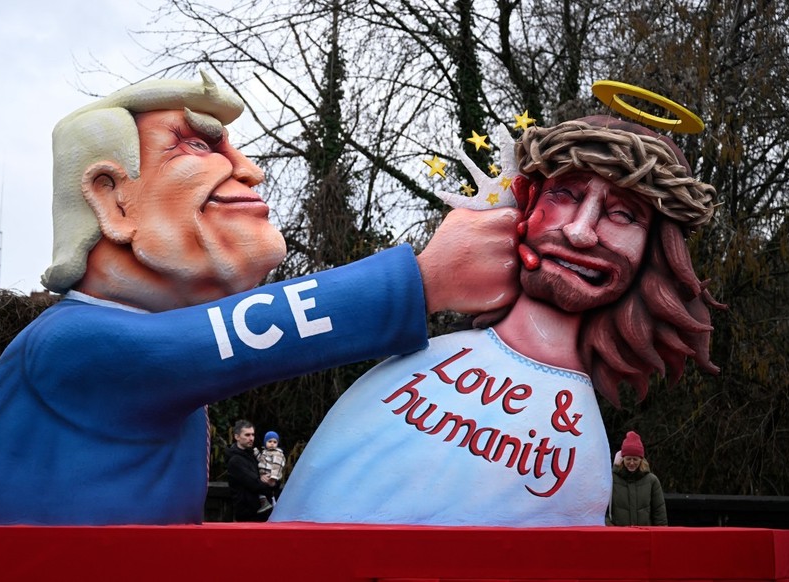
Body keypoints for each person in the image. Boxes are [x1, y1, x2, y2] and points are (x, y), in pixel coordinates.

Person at [0, 71, 520, 525]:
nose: (251, 171)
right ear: (111, 198)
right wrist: (423, 280)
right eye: (197, 147)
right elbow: (242, 333)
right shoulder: (70, 345)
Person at [271, 115, 721, 527]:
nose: (581, 231)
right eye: (565, 195)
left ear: (653, 254)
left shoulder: (583, 453)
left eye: (622, 215)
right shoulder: (405, 373)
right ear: (526, 201)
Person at [606, 431, 667, 526]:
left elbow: (659, 514)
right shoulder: (610, 480)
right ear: (622, 459)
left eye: (635, 459)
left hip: (645, 536)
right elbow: (602, 512)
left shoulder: (652, 481)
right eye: (628, 459)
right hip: (618, 536)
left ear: (641, 459)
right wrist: (612, 531)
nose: (631, 463)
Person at [225, 421, 275, 521]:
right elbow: (254, 483)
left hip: (263, 512)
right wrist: (270, 484)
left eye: (252, 434)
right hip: (248, 515)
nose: (251, 438)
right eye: (247, 435)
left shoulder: (254, 455)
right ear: (237, 437)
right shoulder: (235, 461)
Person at [256, 430, 286, 511]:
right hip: (263, 474)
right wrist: (256, 453)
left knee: (267, 489)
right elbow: (261, 460)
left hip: (271, 475)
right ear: (265, 442)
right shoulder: (265, 452)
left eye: (274, 442)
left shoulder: (277, 454)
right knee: (260, 490)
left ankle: (272, 502)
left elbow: (277, 466)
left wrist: (273, 477)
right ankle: (266, 501)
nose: (272, 443)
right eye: (270, 441)